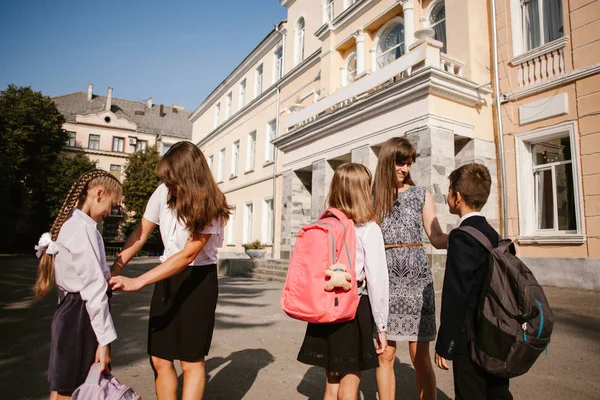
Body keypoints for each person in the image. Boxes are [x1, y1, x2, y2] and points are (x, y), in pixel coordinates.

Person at [109, 142, 230, 400]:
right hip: (167, 277)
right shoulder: (163, 192)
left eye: (172, 179)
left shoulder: (212, 202)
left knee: (190, 360)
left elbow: (187, 255)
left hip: (198, 281)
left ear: (188, 174)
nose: (168, 184)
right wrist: (115, 268)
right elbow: (141, 234)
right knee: (160, 358)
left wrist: (138, 281)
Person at [297, 162, 389, 400]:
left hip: (325, 308)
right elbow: (378, 280)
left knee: (331, 384)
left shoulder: (326, 224)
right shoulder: (369, 229)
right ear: (363, 190)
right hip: (352, 309)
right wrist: (382, 326)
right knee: (350, 384)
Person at [33, 170, 122, 400]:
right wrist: (104, 341)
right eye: (111, 205)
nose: (110, 212)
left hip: (70, 313)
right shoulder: (82, 229)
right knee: (73, 388)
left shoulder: (73, 225)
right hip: (80, 317)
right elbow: (93, 289)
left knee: (62, 387)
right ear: (99, 194)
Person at [372, 137, 448, 400]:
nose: (405, 169)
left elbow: (436, 237)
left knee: (419, 357)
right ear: (387, 162)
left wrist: (464, 235)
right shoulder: (373, 199)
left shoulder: (420, 194)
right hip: (385, 281)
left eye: (408, 164)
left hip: (416, 282)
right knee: (386, 354)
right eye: (400, 163)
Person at [435, 163, 512, 399]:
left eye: (449, 191)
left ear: (457, 197)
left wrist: (445, 343)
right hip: (498, 333)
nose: (448, 196)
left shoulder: (462, 237)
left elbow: (456, 294)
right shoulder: (494, 235)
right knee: (498, 393)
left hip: (469, 338)